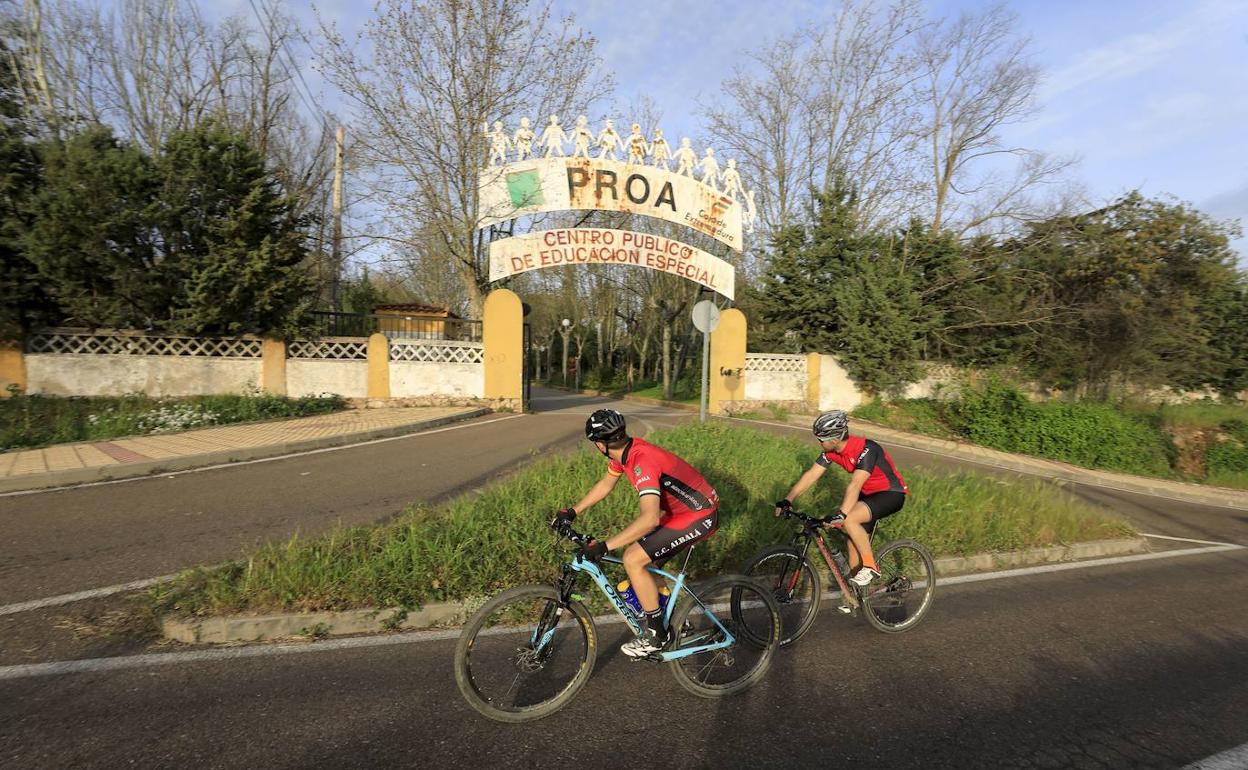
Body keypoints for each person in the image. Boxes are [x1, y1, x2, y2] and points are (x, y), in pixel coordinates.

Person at [552, 409, 719, 658]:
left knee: (632, 558)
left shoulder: (642, 461)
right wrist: (572, 511)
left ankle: (657, 636)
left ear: (600, 445)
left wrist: (605, 546)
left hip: (699, 515)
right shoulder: (625, 453)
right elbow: (606, 484)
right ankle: (677, 624)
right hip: (681, 513)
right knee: (645, 564)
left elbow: (650, 519)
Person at [774, 410, 908, 586]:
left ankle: (871, 566)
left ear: (834, 439)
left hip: (891, 493)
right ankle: (857, 593)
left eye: (821, 439)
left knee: (850, 519)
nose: (818, 442)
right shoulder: (832, 452)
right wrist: (788, 499)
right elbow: (812, 475)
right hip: (868, 495)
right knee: (852, 543)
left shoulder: (867, 449)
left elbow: (855, 484)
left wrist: (842, 514)